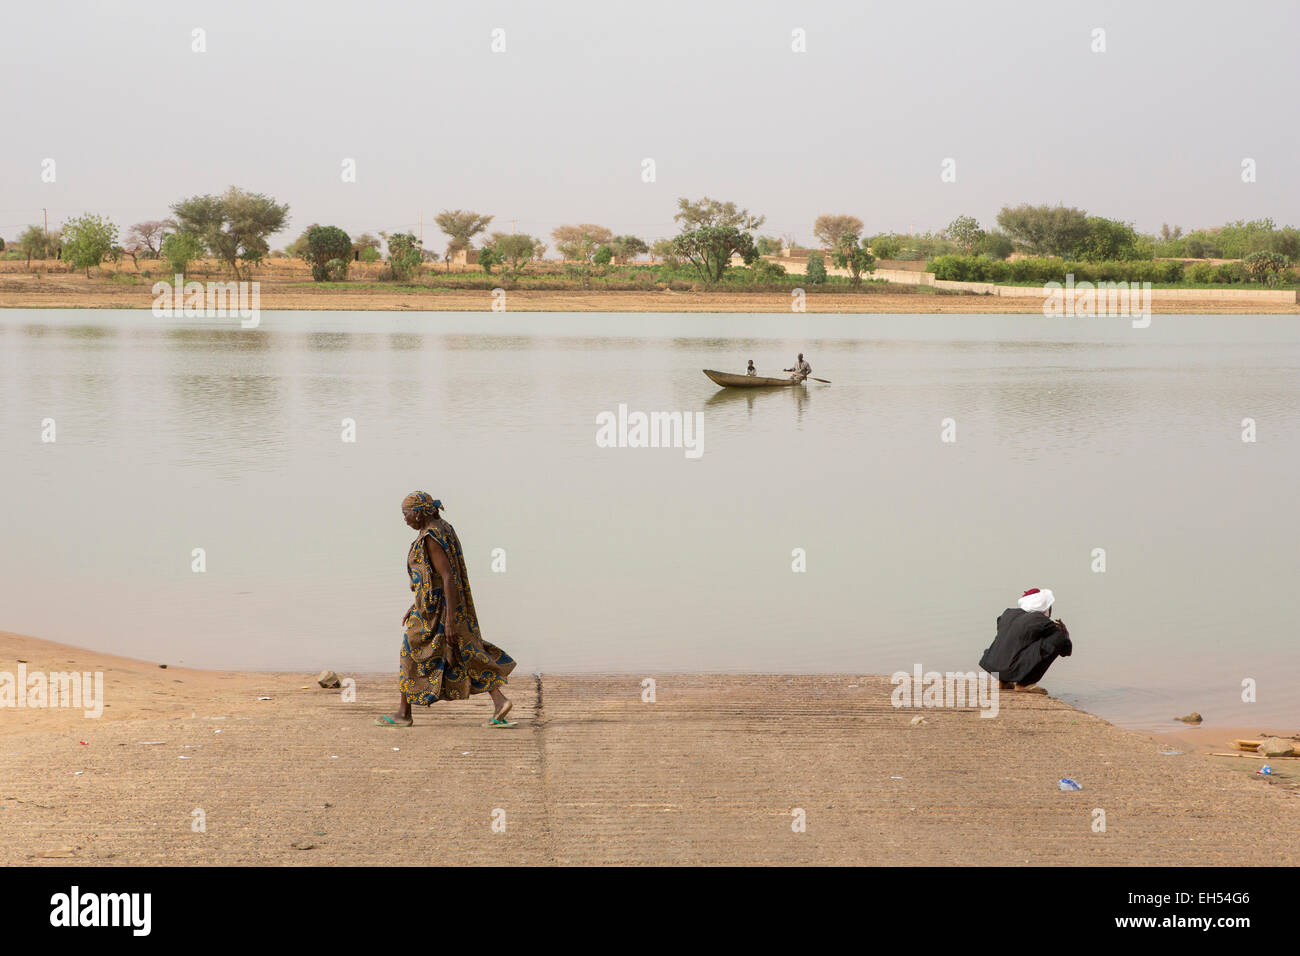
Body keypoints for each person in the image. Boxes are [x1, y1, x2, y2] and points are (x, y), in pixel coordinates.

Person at [378, 492, 517, 727]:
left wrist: (450, 620)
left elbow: (447, 576)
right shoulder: (443, 528)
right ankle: (499, 702)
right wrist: (415, 604)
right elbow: (435, 578)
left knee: (409, 651)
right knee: (465, 651)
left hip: (437, 612)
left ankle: (404, 713)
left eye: (406, 514)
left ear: (420, 512)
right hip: (434, 606)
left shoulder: (431, 537)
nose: (405, 519)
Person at [978, 588, 1072, 694]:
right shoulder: (1043, 621)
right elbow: (1065, 650)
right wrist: (1064, 633)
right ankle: (1024, 684)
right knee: (1058, 637)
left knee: (1012, 641)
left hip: (992, 668)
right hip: (1009, 670)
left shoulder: (1007, 614)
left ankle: (1003, 682)